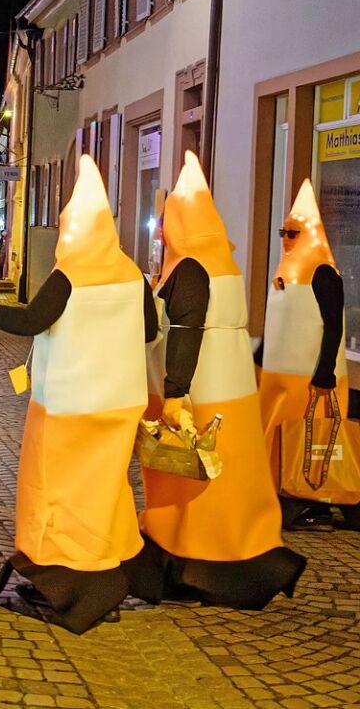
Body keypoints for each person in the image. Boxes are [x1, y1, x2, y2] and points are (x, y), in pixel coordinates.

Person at [0, 157, 156, 634]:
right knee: (105, 491)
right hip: (120, 402)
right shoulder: (132, 274)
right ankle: (107, 578)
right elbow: (147, 330)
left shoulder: (70, 275)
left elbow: (29, 322)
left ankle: (66, 588)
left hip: (69, 403)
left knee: (57, 494)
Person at [134, 151, 306, 609]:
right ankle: (236, 558)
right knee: (227, 487)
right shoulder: (222, 263)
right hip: (232, 395)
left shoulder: (189, 267)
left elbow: (187, 332)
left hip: (200, 395)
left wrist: (175, 394)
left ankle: (194, 568)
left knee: (193, 488)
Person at [256, 180, 360, 531]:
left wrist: (325, 374)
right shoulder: (286, 270)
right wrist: (259, 357)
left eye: (293, 232)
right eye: (284, 231)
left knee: (310, 439)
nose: (286, 238)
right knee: (283, 438)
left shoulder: (323, 273)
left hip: (310, 378)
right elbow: (280, 321)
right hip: (280, 379)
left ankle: (312, 503)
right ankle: (282, 494)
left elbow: (333, 326)